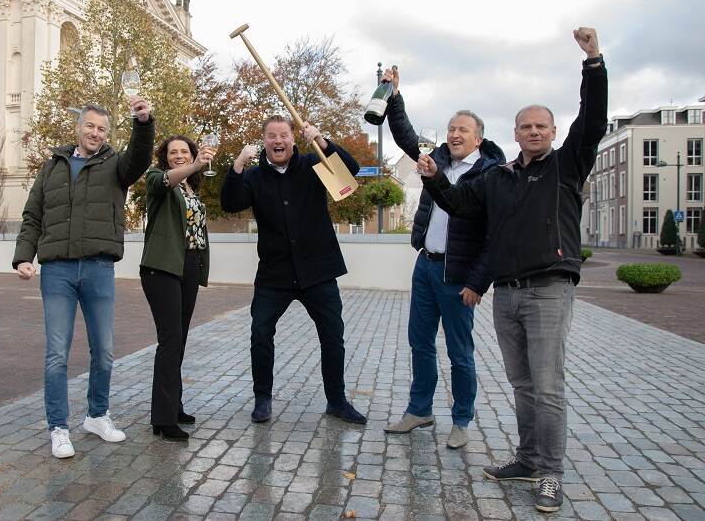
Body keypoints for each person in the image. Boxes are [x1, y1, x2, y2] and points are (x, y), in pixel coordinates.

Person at [418, 28, 607, 513]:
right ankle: (526, 458)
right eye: (526, 126)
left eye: (542, 126)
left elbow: (593, 119)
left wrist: (593, 62)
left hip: (549, 290)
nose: (535, 132)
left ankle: (550, 472)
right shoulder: (497, 179)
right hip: (507, 294)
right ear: (515, 132)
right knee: (522, 384)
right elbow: (459, 206)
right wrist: (436, 177)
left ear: (554, 132)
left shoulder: (568, 166)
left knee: (547, 386)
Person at [13, 98, 153, 459]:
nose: (95, 133)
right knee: (57, 354)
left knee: (104, 352)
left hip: (98, 269)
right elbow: (33, 216)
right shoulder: (52, 167)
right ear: (79, 127)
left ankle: (97, 415)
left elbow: (139, 158)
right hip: (57, 270)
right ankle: (59, 427)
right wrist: (23, 257)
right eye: (90, 126)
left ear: (108, 134)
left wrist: (143, 122)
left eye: (102, 129)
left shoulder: (115, 166)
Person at [381, 67, 505, 450]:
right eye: (451, 128)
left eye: (462, 129)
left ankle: (462, 420)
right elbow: (405, 136)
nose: (454, 134)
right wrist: (394, 96)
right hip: (427, 265)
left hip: (459, 274)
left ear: (478, 138)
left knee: (459, 351)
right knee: (420, 343)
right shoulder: (437, 161)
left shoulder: (489, 174)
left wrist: (477, 282)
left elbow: (492, 236)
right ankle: (419, 410)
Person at [220, 116, 366, 425]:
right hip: (275, 275)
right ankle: (262, 399)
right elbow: (231, 203)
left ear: (293, 139)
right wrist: (237, 166)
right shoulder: (255, 176)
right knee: (260, 332)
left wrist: (323, 139)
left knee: (333, 336)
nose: (278, 141)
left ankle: (336, 401)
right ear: (265, 142)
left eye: (283, 135)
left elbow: (351, 171)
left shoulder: (314, 163)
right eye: (271, 136)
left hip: (318, 271)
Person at [140, 135, 215, 441]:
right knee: (170, 339)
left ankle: (174, 406)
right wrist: (197, 164)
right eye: (174, 152)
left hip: (188, 266)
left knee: (179, 339)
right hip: (162, 266)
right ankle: (163, 418)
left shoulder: (191, 187)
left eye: (185, 151)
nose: (180, 155)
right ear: (165, 157)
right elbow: (164, 182)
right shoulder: (158, 178)